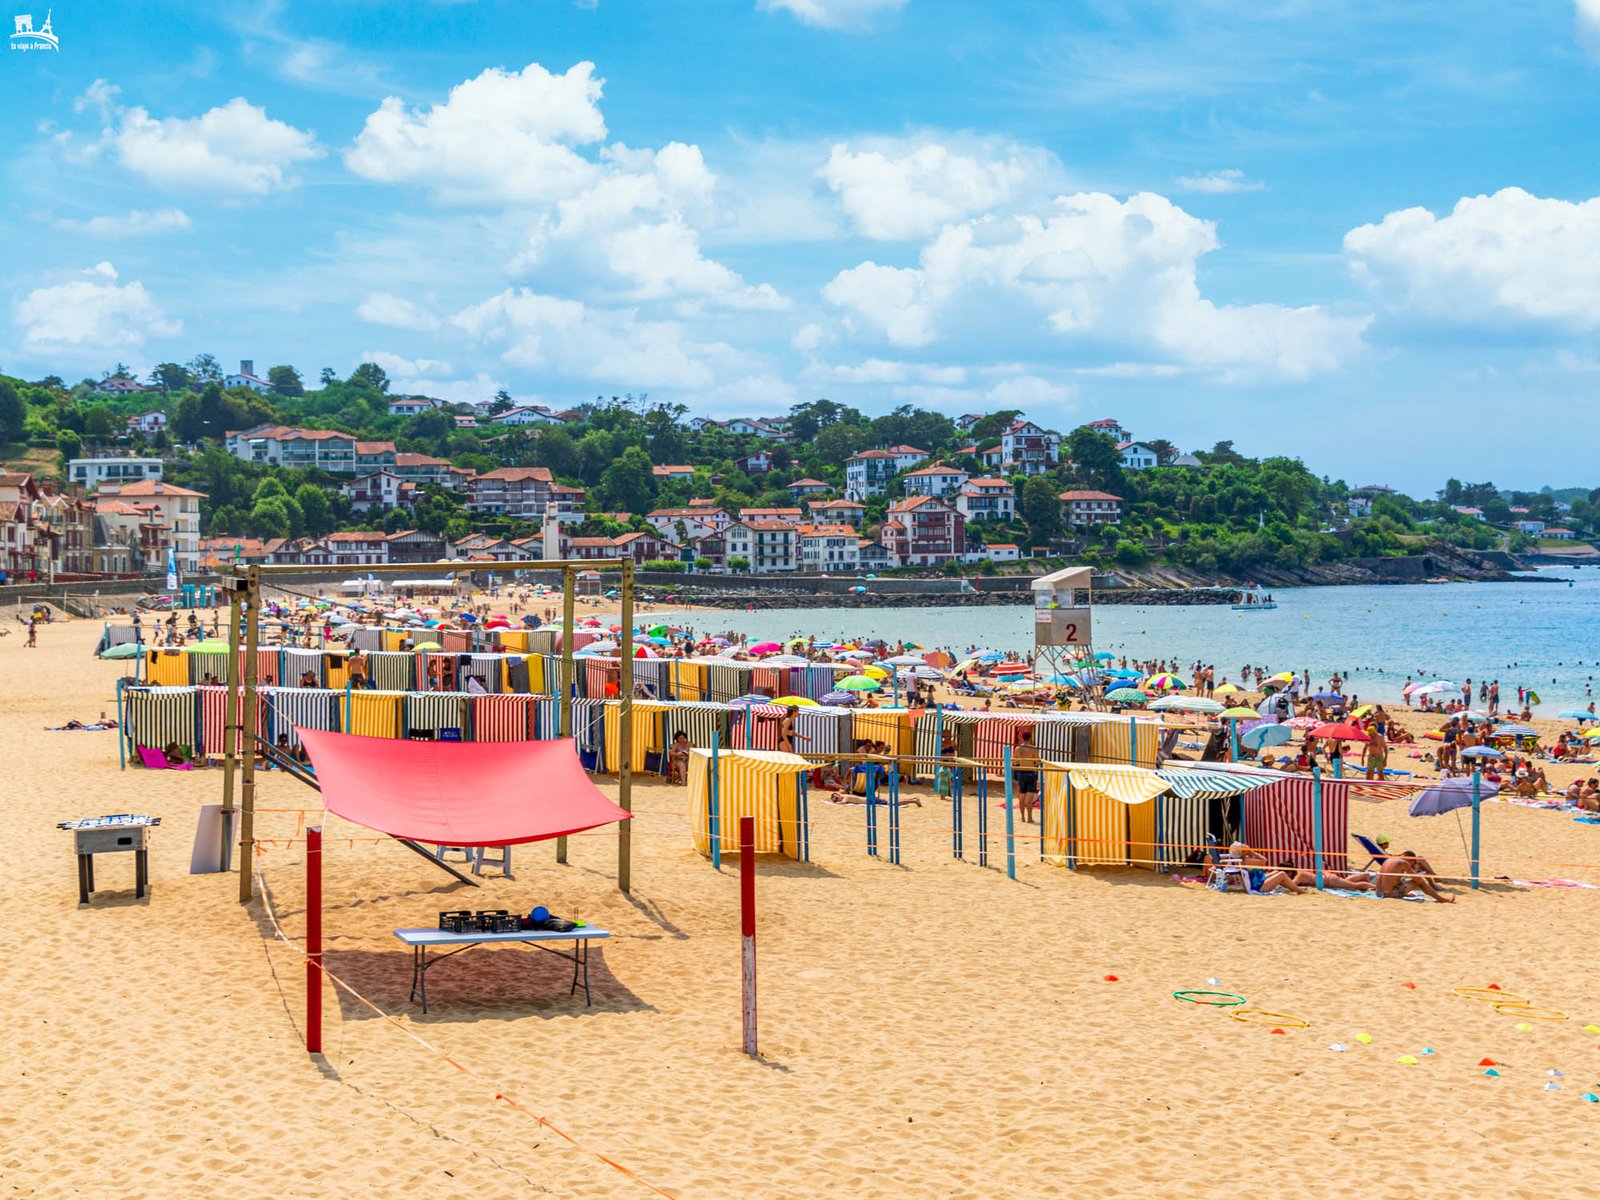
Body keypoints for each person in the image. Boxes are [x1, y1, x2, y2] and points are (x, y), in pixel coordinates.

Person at [1376, 850, 1455, 902]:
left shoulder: (1389, 860)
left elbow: (1392, 879)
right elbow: (1416, 879)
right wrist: (1423, 876)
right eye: (1412, 864)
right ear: (1411, 860)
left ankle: (1438, 896)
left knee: (1416, 880)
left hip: (1378, 892)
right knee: (1419, 880)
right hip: (1388, 894)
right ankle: (1441, 899)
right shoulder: (1403, 863)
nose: (1412, 866)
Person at [1013, 729, 1040, 823]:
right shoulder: (1034, 748)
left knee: (1022, 796)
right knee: (1029, 798)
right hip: (1031, 773)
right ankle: (1029, 818)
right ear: (1030, 738)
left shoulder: (1017, 749)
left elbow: (1015, 762)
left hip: (1021, 773)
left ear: (1022, 738)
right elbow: (1037, 761)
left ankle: (1022, 817)